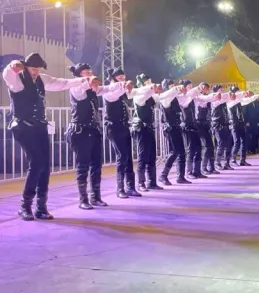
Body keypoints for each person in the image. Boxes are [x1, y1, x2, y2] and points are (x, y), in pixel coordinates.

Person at [3, 53, 90, 220]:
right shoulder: (17, 79)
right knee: (36, 162)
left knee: (45, 166)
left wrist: (84, 80)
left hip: (39, 126)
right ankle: (25, 205)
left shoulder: (42, 78)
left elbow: (61, 83)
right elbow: (7, 74)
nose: (36, 71)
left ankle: (41, 207)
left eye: (38, 68)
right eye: (33, 68)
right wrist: (12, 65)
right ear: (26, 66)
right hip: (22, 127)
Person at [67, 63, 127, 210]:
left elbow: (107, 89)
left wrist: (122, 85)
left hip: (93, 130)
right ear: (79, 75)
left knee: (96, 164)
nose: (90, 73)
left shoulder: (93, 89)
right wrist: (90, 80)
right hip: (80, 131)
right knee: (83, 166)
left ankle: (96, 197)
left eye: (90, 70)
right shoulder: (76, 88)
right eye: (86, 71)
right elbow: (83, 86)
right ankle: (83, 199)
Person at [102, 68, 155, 199]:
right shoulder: (109, 91)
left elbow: (137, 91)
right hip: (114, 128)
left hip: (124, 126)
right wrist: (123, 85)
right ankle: (120, 188)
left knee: (128, 157)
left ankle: (130, 186)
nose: (122, 79)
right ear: (114, 78)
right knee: (122, 156)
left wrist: (151, 88)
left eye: (123, 76)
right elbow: (118, 91)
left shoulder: (124, 92)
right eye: (119, 77)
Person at [131, 74, 167, 191]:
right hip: (141, 129)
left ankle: (152, 182)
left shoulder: (150, 96)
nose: (150, 84)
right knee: (143, 156)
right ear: (142, 83)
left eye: (150, 81)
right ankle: (141, 183)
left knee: (152, 155)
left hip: (149, 128)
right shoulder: (139, 96)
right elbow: (147, 93)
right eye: (147, 82)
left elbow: (162, 96)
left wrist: (175, 91)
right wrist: (152, 88)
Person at [158, 79, 190, 185]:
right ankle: (163, 175)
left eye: (173, 85)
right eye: (170, 86)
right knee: (174, 152)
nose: (173, 87)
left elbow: (185, 101)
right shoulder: (165, 98)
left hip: (176, 127)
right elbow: (169, 99)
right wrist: (176, 90)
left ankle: (180, 176)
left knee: (181, 152)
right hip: (170, 128)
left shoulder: (174, 98)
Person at [228, 87, 259, 166]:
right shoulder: (230, 102)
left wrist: (256, 96)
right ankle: (233, 160)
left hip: (240, 123)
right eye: (236, 92)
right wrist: (244, 94)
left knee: (244, 142)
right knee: (237, 142)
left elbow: (247, 100)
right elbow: (239, 99)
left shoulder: (239, 101)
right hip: (234, 124)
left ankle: (242, 160)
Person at [195, 82, 219, 174]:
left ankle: (211, 167)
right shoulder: (198, 97)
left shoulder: (208, 99)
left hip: (207, 124)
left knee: (210, 146)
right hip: (199, 124)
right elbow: (205, 99)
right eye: (206, 88)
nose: (207, 90)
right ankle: (203, 168)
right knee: (205, 146)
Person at [210, 85, 232, 170]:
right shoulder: (214, 101)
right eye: (220, 90)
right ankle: (217, 163)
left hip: (225, 124)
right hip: (217, 125)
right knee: (221, 144)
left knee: (228, 144)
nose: (222, 92)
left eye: (222, 90)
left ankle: (227, 163)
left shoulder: (223, 102)